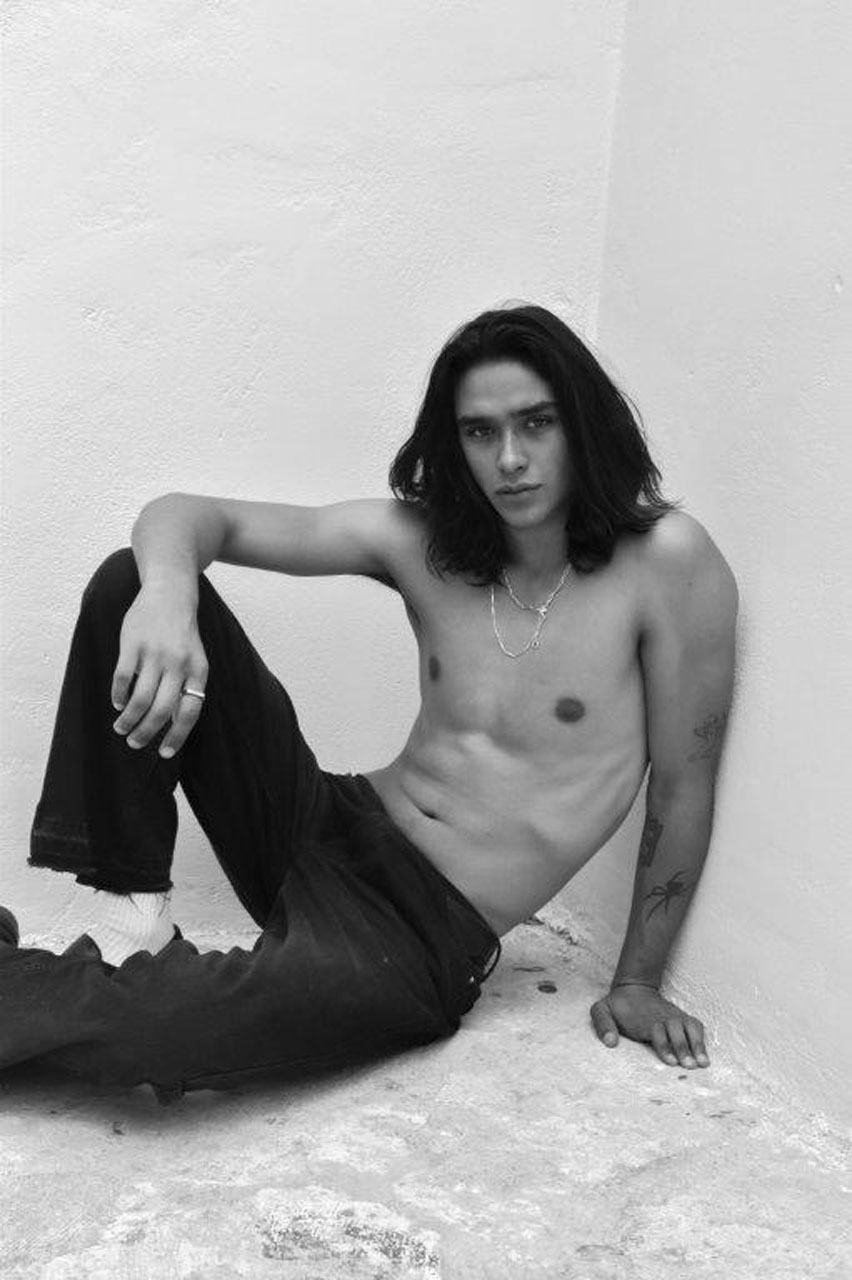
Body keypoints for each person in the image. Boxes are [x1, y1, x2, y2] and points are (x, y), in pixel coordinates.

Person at [0, 303, 738, 1102]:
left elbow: (682, 786)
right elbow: (185, 514)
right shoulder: (428, 544)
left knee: (163, 1032)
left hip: (416, 933)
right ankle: (133, 913)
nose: (510, 459)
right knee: (131, 581)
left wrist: (637, 981)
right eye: (481, 432)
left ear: (583, 424)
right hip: (323, 825)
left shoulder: (667, 564)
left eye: (537, 423)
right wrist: (170, 598)